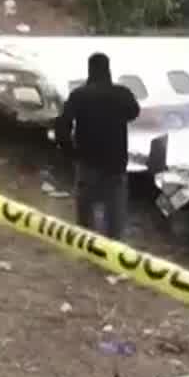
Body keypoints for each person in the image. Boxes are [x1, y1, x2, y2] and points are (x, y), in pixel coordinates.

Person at [53, 52, 141, 238]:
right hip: (116, 164)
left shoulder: (79, 95)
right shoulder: (121, 94)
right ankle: (113, 253)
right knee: (115, 216)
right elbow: (134, 112)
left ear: (90, 69)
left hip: (87, 162)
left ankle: (87, 250)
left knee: (85, 215)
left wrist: (70, 152)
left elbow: (62, 126)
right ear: (108, 69)